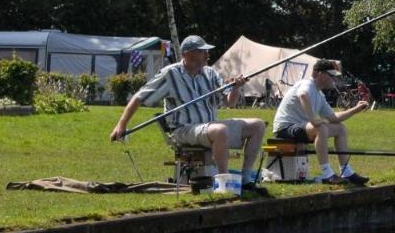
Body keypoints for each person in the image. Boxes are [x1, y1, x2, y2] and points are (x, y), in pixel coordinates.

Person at [110, 34, 267, 191]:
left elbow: (229, 103)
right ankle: (225, 184)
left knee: (257, 125)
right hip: (184, 130)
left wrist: (236, 88)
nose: (207, 54)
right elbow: (139, 97)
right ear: (189, 53)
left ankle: (246, 180)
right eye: (203, 51)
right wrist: (121, 125)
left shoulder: (210, 73)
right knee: (220, 130)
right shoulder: (170, 74)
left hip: (210, 128)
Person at [273, 60, 370, 185]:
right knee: (321, 128)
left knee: (340, 129)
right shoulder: (307, 84)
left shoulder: (319, 94)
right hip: (285, 128)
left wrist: (355, 110)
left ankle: (346, 171)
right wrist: (313, 119)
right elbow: (303, 95)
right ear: (319, 74)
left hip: (301, 127)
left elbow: (334, 118)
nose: (334, 79)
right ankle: (327, 174)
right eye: (331, 75)